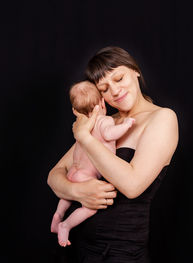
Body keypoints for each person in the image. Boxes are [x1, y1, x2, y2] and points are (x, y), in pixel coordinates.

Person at [47, 46, 179, 262]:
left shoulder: (162, 118)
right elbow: (54, 175)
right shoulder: (103, 123)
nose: (115, 91)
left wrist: (85, 137)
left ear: (135, 70)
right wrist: (76, 190)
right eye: (105, 88)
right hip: (79, 247)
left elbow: (132, 185)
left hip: (120, 253)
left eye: (119, 78)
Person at [51, 81, 135, 247]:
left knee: (66, 197)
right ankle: (65, 224)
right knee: (90, 208)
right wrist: (126, 125)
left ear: (76, 110)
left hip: (73, 172)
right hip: (85, 176)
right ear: (102, 103)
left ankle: (58, 215)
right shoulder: (104, 121)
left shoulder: (81, 126)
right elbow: (111, 134)